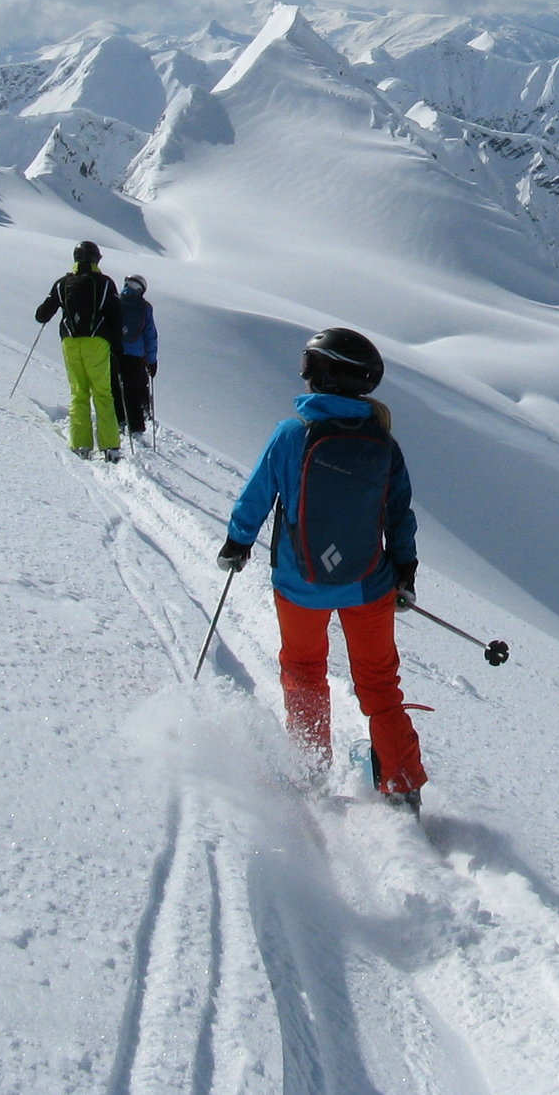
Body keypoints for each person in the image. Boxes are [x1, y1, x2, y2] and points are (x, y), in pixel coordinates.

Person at [219, 327, 426, 808]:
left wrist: (237, 542)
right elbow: (400, 514)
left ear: (321, 374)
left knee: (304, 669)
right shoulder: (383, 442)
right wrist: (405, 572)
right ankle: (401, 785)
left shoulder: (291, 434)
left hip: (299, 584)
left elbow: (256, 498)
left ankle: (310, 768)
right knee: (379, 684)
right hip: (367, 585)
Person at [34, 240, 122, 460]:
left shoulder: (62, 283)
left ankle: (80, 444)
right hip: (97, 341)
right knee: (102, 392)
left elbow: (42, 314)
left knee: (78, 393)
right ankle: (109, 445)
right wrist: (118, 346)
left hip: (70, 342)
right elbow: (116, 316)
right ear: (95, 259)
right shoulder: (105, 283)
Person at [115, 274, 159, 440]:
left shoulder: (115, 301)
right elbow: (150, 335)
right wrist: (152, 360)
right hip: (135, 356)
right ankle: (137, 426)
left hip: (115, 352)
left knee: (116, 388)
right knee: (132, 390)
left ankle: (119, 420)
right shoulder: (145, 307)